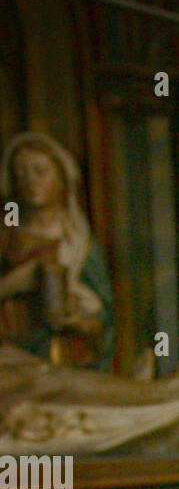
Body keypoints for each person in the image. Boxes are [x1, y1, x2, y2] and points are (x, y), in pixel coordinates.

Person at [0, 132, 115, 369]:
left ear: (61, 176)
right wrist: (13, 284)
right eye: (22, 174)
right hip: (14, 354)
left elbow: (104, 318)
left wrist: (80, 321)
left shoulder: (80, 243)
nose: (31, 181)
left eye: (40, 172)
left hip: (70, 354)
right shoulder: (7, 236)